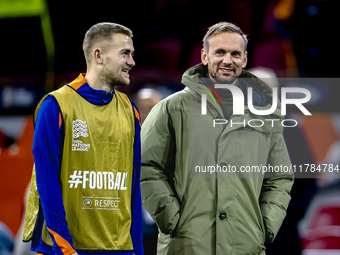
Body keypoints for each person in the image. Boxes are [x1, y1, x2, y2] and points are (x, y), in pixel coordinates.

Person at [140, 22, 294, 255]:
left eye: (235, 53)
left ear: (244, 59)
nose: (227, 60)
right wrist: (172, 220)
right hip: (185, 247)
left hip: (245, 247)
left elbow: (280, 176)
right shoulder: (171, 108)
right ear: (204, 56)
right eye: (219, 52)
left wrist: (263, 226)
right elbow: (146, 166)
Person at [23, 22, 143, 255]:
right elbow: (47, 185)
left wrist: (137, 251)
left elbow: (133, 191)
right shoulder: (55, 106)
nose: (132, 62)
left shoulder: (131, 111)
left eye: (132, 54)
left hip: (119, 249)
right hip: (66, 250)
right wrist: (65, 250)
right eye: (125, 54)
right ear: (98, 55)